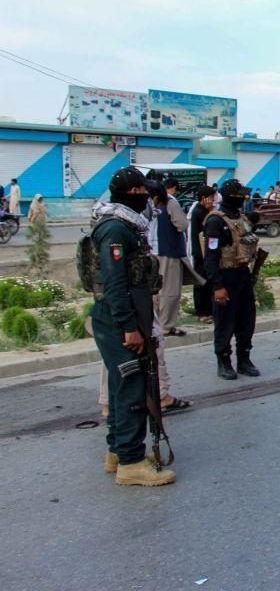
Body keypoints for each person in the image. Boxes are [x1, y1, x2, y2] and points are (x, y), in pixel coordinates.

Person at [87, 166, 175, 486]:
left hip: (126, 316)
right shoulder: (115, 230)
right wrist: (129, 327)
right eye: (143, 193)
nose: (147, 199)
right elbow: (114, 284)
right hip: (117, 319)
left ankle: (118, 452)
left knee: (122, 385)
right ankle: (131, 462)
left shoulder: (127, 225)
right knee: (132, 388)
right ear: (132, 194)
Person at [203, 179, 261, 380]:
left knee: (246, 320)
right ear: (230, 196)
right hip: (225, 277)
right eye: (239, 194)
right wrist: (217, 286)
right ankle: (224, 361)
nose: (243, 198)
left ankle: (244, 360)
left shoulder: (240, 217)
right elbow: (210, 257)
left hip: (243, 274)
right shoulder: (215, 221)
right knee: (225, 323)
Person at [154, 177, 188, 337]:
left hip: (152, 251)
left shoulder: (145, 203)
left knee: (155, 289)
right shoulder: (170, 202)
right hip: (168, 251)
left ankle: (154, 323)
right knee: (169, 289)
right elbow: (182, 224)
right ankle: (166, 325)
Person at [188, 186, 216, 323]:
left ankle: (209, 310)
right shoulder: (200, 212)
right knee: (201, 283)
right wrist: (211, 210)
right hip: (200, 252)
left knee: (208, 283)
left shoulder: (203, 210)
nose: (214, 200)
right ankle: (202, 312)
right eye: (211, 197)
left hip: (205, 252)